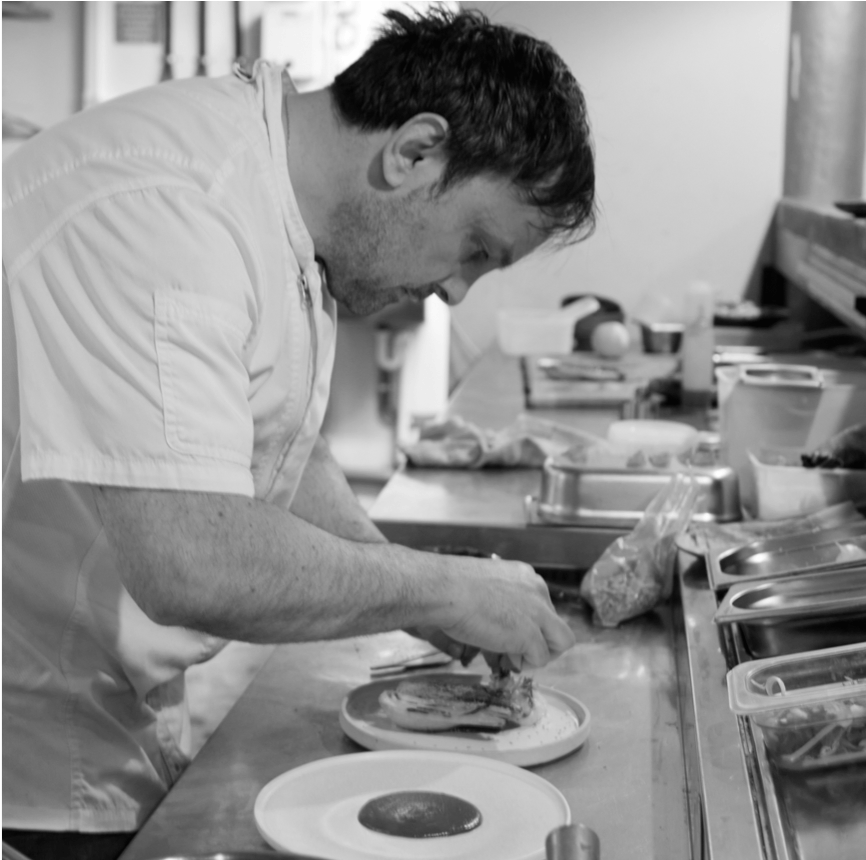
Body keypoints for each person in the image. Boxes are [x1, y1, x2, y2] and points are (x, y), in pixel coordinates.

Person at [0, 7, 596, 859]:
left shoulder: (282, 197)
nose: (458, 292)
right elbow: (189, 559)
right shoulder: (167, 208)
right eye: (475, 248)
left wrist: (409, 590)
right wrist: (439, 587)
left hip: (111, 683)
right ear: (414, 151)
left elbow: (271, 433)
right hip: (25, 734)